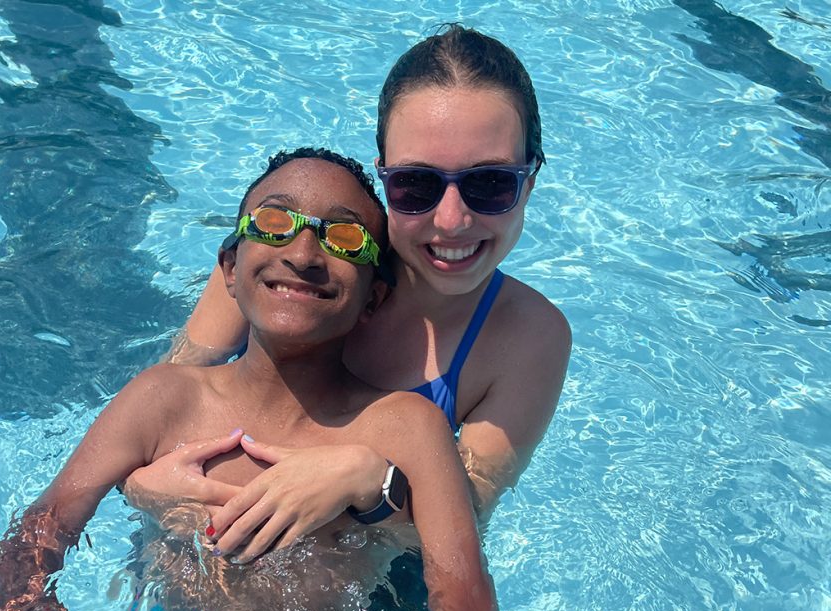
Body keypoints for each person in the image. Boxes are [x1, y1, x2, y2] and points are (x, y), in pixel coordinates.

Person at [0, 148, 508, 611]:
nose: (304, 252)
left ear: (377, 296)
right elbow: (5, 581)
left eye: (343, 237)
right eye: (274, 222)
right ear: (229, 267)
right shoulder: (163, 401)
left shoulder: (404, 428)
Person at [124, 24, 571, 560]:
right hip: (202, 546)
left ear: (531, 180)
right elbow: (163, 407)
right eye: (416, 185)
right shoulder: (280, 266)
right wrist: (137, 485)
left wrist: (369, 481)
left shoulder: (525, 338)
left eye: (491, 183)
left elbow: (464, 527)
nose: (452, 220)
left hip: (368, 599)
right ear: (383, 177)